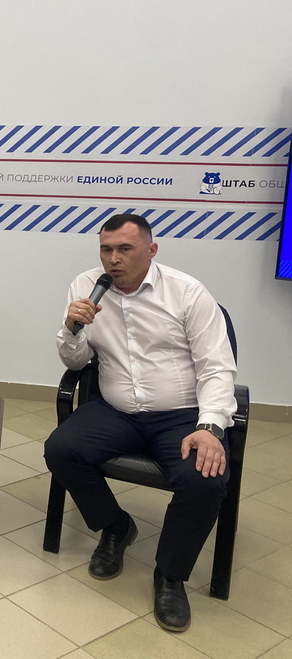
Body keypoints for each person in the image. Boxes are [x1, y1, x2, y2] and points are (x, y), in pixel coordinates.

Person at [44, 213, 235, 632]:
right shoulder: (86, 285)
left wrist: (210, 427)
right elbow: (75, 362)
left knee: (205, 479)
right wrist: (72, 329)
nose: (113, 259)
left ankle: (170, 575)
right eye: (106, 249)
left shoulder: (187, 292)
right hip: (116, 411)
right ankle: (116, 527)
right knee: (60, 449)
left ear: (151, 250)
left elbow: (217, 368)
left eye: (124, 249)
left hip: (182, 415)